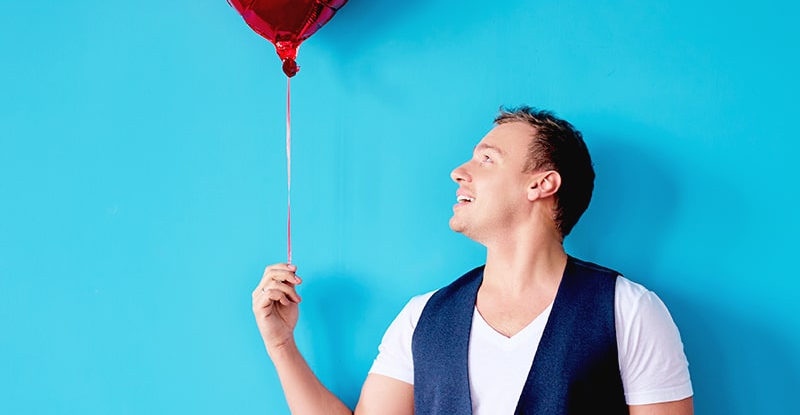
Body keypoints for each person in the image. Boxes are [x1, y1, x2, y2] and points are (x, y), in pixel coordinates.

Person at [253, 107, 694, 415]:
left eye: (487, 158)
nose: (459, 171)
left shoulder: (629, 311)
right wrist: (281, 346)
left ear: (542, 184)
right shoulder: (421, 318)